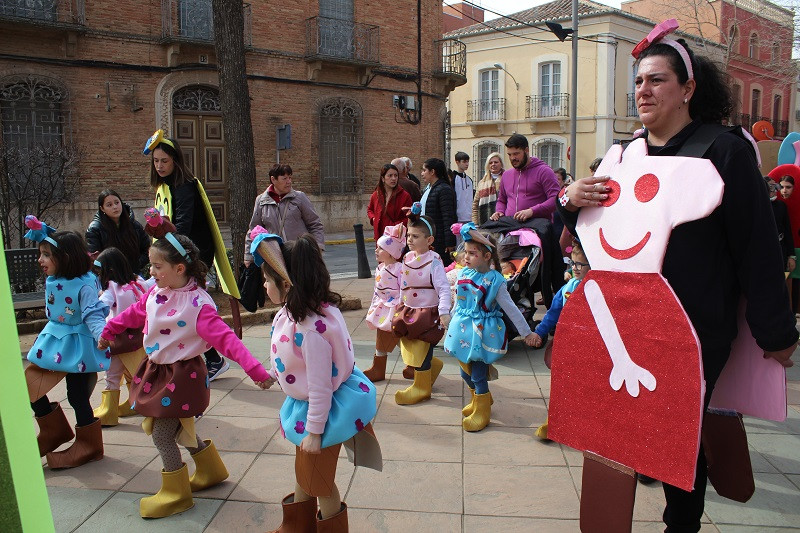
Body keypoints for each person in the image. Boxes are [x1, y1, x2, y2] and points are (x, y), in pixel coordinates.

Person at [556, 28, 797, 531]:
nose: (642, 90)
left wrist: (776, 334)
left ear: (687, 88)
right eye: (638, 81)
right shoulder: (623, 157)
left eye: (656, 80)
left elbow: (757, 247)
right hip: (623, 325)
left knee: (677, 432)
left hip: (696, 328)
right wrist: (568, 200)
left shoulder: (725, 151)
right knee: (628, 429)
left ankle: (681, 523)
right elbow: (591, 238)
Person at [99, 210, 269, 519]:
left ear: (179, 268)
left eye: (157, 266)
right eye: (151, 264)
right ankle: (210, 470)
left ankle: (176, 493)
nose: (151, 271)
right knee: (177, 428)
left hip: (183, 376)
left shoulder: (198, 305)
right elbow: (137, 312)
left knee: (162, 433)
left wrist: (255, 369)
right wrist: (111, 329)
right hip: (159, 371)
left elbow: (227, 340)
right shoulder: (157, 291)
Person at [250, 229, 381, 532]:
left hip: (322, 412)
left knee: (321, 483)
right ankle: (297, 526)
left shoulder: (311, 330)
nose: (264, 286)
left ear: (286, 284)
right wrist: (275, 374)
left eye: (266, 281)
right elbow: (292, 358)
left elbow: (320, 386)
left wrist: (314, 432)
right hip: (309, 406)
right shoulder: (295, 312)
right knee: (306, 471)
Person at [145, 130, 230, 381]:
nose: (159, 166)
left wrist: (168, 257)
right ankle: (198, 360)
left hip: (191, 256)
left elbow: (182, 226)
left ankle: (213, 360)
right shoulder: (164, 186)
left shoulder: (184, 186)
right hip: (174, 255)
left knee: (193, 311)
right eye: (156, 161)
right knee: (177, 310)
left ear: (175, 161)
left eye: (165, 161)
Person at [24, 217, 109, 469]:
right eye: (41, 254)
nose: (41, 260)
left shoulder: (84, 285)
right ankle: (54, 431)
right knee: (30, 383)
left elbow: (93, 313)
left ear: (67, 258)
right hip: (54, 340)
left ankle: (89, 444)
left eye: (46, 255)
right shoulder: (55, 278)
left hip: (78, 344)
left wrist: (102, 336)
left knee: (77, 396)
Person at [443, 223, 536, 432]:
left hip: (483, 332)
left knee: (477, 372)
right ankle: (479, 399)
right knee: (464, 372)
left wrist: (527, 332)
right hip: (462, 327)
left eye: (472, 253)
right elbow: (460, 300)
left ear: (486, 256)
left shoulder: (496, 281)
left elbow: (511, 309)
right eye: (465, 252)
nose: (466, 257)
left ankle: (482, 409)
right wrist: (449, 317)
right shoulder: (464, 274)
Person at [391, 206, 451, 405]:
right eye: (409, 235)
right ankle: (432, 367)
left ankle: (422, 387)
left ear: (429, 240)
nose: (410, 240)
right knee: (409, 344)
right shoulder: (407, 258)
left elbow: (443, 288)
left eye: (416, 236)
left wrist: (443, 312)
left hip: (427, 313)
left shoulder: (434, 261)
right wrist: (400, 303)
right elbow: (404, 284)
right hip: (408, 310)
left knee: (422, 345)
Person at [531, 240, 591, 440]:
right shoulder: (569, 286)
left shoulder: (596, 288)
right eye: (572, 263)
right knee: (560, 384)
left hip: (589, 347)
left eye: (580, 265)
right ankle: (555, 422)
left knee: (584, 387)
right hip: (567, 343)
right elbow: (553, 312)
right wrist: (539, 332)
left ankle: (583, 423)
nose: (575, 268)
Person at [92, 247, 151, 427]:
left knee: (112, 374)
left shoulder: (112, 288)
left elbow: (102, 306)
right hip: (139, 337)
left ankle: (108, 411)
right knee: (135, 372)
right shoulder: (138, 281)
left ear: (108, 271)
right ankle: (135, 402)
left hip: (118, 340)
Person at [244, 163, 325, 264]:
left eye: (290, 178)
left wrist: (318, 248)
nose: (289, 182)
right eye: (284, 178)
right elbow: (253, 230)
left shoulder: (299, 197)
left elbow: (315, 224)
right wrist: (248, 256)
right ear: (273, 179)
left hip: (300, 254)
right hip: (275, 258)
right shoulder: (261, 201)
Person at [364, 223, 406, 382]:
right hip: (383, 308)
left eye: (380, 248)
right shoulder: (380, 268)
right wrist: (373, 306)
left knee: (399, 336)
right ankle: (414, 365)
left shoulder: (399, 269)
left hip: (394, 308)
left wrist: (402, 306)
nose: (376, 250)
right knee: (387, 334)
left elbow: (404, 289)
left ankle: (416, 365)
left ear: (391, 253)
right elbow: (377, 291)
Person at [490, 134, 560, 223]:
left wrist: (531, 211)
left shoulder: (544, 171)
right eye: (509, 155)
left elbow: (555, 199)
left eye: (516, 154)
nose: (512, 158)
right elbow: (502, 200)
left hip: (537, 227)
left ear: (526, 150)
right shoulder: (506, 175)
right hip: (509, 227)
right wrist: (499, 211)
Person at [86, 189, 150, 272]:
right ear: (102, 208)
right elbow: (94, 258)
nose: (115, 207)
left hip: (134, 274)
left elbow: (146, 250)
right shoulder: (95, 229)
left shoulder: (135, 225)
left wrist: (134, 266)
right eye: (109, 205)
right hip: (109, 277)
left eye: (117, 203)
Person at [418, 157, 457, 266]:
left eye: (424, 170)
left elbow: (448, 216)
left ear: (432, 172)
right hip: (429, 237)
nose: (422, 174)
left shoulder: (444, 189)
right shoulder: (428, 189)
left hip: (439, 239)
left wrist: (449, 242)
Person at [366, 163, 413, 241]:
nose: (393, 178)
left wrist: (396, 226)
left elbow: (409, 217)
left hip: (396, 237)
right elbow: (370, 209)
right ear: (383, 178)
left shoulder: (405, 196)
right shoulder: (376, 194)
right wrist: (374, 219)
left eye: (396, 175)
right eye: (390, 176)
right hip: (380, 235)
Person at [765, 177, 795, 273]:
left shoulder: (781, 206)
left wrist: (791, 256)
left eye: (776, 187)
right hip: (764, 249)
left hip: (780, 248)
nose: (775, 190)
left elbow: (787, 231)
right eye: (771, 187)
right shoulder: (757, 206)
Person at [472, 152, 504, 226]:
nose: (493, 164)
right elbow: (475, 206)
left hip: (503, 221)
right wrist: (475, 224)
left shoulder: (508, 179)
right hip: (485, 222)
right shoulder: (481, 183)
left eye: (496, 162)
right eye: (490, 163)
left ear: (501, 164)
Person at [451, 152, 474, 243]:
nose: (467, 164)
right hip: (457, 217)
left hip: (469, 217)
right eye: (464, 161)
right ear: (457, 162)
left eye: (467, 161)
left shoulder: (469, 180)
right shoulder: (453, 179)